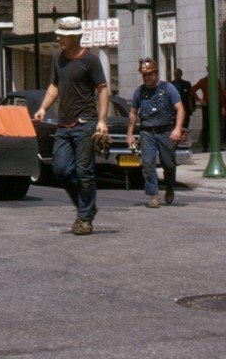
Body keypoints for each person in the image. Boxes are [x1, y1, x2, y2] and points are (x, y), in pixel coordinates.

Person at [34, 16, 109, 236]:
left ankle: (85, 218)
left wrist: (102, 121)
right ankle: (86, 205)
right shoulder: (58, 58)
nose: (58, 38)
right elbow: (54, 86)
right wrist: (43, 108)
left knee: (84, 172)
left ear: (75, 36)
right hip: (63, 124)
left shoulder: (90, 61)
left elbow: (103, 90)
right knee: (60, 169)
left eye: (62, 35)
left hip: (85, 123)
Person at [127, 58, 184, 208]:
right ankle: (153, 195)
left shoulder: (168, 88)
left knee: (169, 164)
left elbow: (180, 109)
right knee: (148, 163)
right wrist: (130, 134)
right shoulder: (139, 91)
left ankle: (170, 186)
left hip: (166, 131)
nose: (147, 78)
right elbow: (133, 113)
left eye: (150, 74)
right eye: (144, 75)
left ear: (156, 74)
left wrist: (177, 128)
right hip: (147, 132)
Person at [192, 72, 226, 152]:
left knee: (217, 125)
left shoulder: (216, 81)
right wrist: (200, 100)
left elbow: (220, 94)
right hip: (207, 104)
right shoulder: (204, 80)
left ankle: (216, 145)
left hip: (216, 104)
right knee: (206, 126)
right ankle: (205, 146)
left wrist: (223, 107)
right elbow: (193, 90)